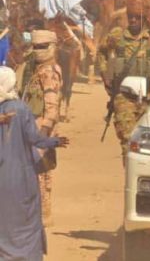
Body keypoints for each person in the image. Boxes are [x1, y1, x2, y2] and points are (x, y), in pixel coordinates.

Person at [0, 66, 69, 261]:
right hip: (21, 177)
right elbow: (35, 139)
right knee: (27, 219)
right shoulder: (21, 109)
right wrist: (55, 141)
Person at [98, 0, 150, 160]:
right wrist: (105, 75)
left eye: (137, 17)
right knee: (128, 141)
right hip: (123, 98)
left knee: (148, 144)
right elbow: (101, 52)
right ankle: (130, 174)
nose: (132, 20)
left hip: (147, 99)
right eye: (130, 16)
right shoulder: (117, 36)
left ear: (144, 18)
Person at [16, 30, 62, 225]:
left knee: (42, 170)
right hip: (31, 124)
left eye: (43, 46)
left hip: (41, 125)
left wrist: (44, 131)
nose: (39, 50)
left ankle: (45, 213)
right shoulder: (33, 69)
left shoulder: (50, 72)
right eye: (36, 46)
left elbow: (52, 104)